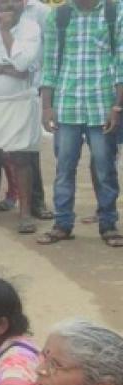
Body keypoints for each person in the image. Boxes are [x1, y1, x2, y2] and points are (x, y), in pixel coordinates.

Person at [38, 0, 122, 247]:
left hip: (102, 104)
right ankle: (62, 224)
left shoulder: (114, 11)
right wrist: (46, 106)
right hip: (67, 105)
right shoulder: (59, 16)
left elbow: (121, 64)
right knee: (64, 169)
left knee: (105, 169)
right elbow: (50, 64)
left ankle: (108, 224)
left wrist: (117, 106)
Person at [0, 0, 54, 223]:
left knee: (22, 158)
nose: (6, 6)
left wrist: (5, 31)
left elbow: (22, 63)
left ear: (22, 3)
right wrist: (3, 68)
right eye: (2, 1)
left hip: (20, 102)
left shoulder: (31, 26)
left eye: (12, 1)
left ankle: (25, 213)